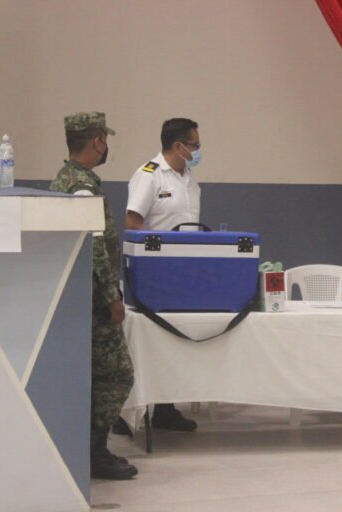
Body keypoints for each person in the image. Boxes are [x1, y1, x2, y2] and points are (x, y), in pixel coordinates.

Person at [50, 112, 137, 480]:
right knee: (117, 375)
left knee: (90, 376)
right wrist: (110, 296)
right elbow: (95, 247)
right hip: (93, 302)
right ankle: (94, 451)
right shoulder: (82, 187)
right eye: (105, 140)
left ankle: (84, 447)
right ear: (97, 141)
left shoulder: (65, 178)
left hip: (77, 299)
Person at [123, 118, 202, 432]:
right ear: (178, 145)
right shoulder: (150, 175)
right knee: (151, 342)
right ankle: (126, 414)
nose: (198, 151)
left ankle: (166, 408)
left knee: (174, 341)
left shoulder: (189, 179)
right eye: (195, 145)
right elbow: (133, 222)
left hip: (185, 272)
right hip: (155, 272)